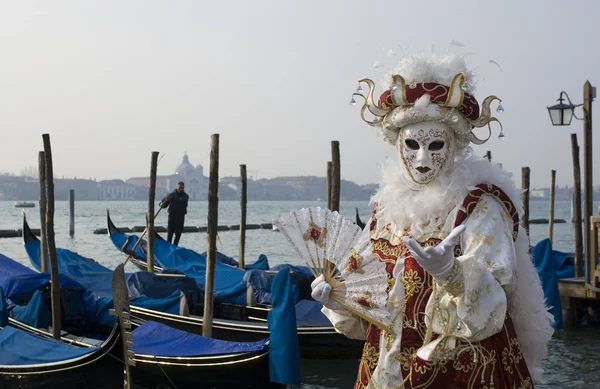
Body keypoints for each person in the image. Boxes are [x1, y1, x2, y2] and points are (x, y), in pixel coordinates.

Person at [310, 52, 554, 388]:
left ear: (453, 144)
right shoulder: (386, 211)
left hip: (459, 370)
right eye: (411, 145)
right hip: (386, 368)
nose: (422, 159)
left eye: (435, 145)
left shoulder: (479, 206)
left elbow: (498, 289)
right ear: (398, 144)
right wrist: (338, 297)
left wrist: (455, 274)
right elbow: (368, 295)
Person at [161, 181, 189, 246]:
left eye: (182, 188)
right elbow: (162, 205)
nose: (181, 189)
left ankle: (175, 246)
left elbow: (181, 202)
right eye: (179, 188)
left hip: (180, 217)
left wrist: (172, 199)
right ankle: (168, 247)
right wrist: (166, 201)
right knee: (170, 234)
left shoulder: (185, 196)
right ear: (177, 187)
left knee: (178, 234)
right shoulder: (170, 195)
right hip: (172, 217)